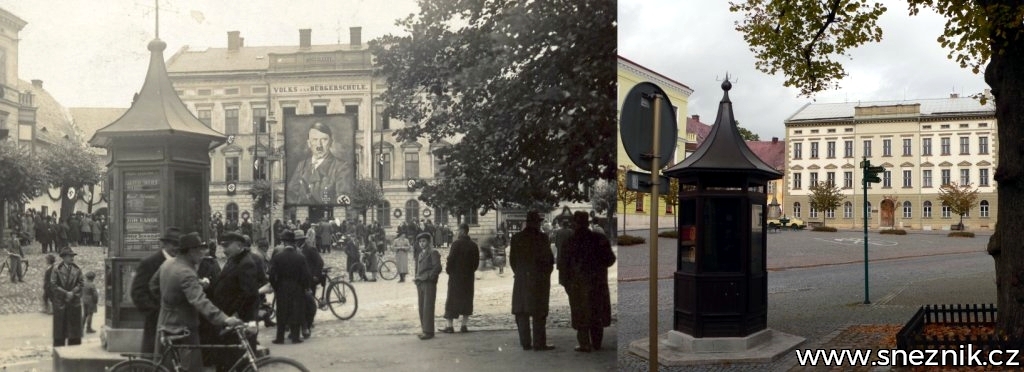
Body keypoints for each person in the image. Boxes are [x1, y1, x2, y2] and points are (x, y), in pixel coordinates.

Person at [149, 233, 243, 372]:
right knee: (191, 367)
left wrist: (170, 302)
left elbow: (153, 286)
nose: (202, 253)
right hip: (183, 327)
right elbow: (200, 301)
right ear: (191, 251)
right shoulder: (186, 272)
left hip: (164, 322)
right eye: (199, 250)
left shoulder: (167, 264)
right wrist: (224, 319)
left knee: (165, 366)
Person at [561, 212, 616, 352]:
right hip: (597, 283)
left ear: (574, 223)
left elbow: (563, 265)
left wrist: (565, 283)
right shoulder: (599, 238)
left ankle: (584, 344)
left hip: (577, 284)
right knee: (596, 313)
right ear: (588, 222)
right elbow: (610, 260)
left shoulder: (569, 241)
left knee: (580, 314)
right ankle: (597, 344)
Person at [211, 232, 262, 371]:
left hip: (238, 321)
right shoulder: (234, 259)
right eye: (223, 246)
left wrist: (236, 314)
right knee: (229, 361)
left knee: (239, 363)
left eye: (227, 246)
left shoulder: (246, 263)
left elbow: (249, 294)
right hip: (229, 319)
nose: (224, 249)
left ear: (239, 245)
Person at [130, 227, 181, 356]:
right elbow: (137, 293)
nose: (176, 248)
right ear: (164, 244)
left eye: (179, 245)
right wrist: (156, 312)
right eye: (174, 244)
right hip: (156, 321)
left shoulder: (181, 261)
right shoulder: (150, 262)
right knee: (154, 358)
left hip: (177, 322)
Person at [510, 210, 555, 351]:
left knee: (522, 311)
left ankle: (525, 343)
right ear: (537, 223)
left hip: (522, 279)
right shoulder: (542, 238)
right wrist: (545, 274)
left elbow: (512, 260)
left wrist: (519, 273)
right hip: (539, 279)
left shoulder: (516, 238)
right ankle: (539, 343)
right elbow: (549, 260)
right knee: (539, 312)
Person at [286, 122, 355, 205]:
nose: (319, 145)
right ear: (309, 143)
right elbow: (291, 195)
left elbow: (343, 198)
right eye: (314, 140)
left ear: (331, 142)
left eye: (324, 139)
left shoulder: (342, 167)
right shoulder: (302, 165)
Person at [268, 230, 313, 344]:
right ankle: (295, 337)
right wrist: (304, 287)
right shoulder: (300, 257)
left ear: (284, 243)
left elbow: (272, 275)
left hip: (282, 287)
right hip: (297, 287)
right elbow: (306, 275)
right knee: (296, 311)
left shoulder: (278, 257)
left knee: (281, 311)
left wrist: (276, 287)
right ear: (293, 243)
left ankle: (280, 337)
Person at [442, 224, 479, 334]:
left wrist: (449, 271)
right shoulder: (473, 245)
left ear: (462, 231)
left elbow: (450, 259)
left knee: (452, 300)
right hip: (468, 278)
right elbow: (476, 263)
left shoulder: (456, 244)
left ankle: (450, 326)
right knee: (467, 300)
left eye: (458, 230)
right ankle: (464, 326)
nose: (456, 232)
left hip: (455, 277)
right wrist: (470, 271)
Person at [51, 247, 84, 347]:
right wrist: (66, 293)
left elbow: (81, 283)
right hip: (61, 302)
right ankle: (59, 350)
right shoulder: (56, 270)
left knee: (74, 331)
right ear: (64, 257)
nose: (72, 258)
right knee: (60, 330)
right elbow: (53, 285)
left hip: (74, 302)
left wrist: (73, 293)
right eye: (70, 256)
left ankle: (74, 351)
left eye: (73, 256)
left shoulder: (77, 269)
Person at [414, 234, 442, 340]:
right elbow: (418, 268)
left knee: (428, 307)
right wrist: (417, 279)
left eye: (424, 241)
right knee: (421, 307)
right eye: (420, 241)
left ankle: (429, 331)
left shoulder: (433, 253)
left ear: (429, 242)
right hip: (420, 282)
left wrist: (430, 277)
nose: (422, 243)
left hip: (429, 283)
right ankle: (424, 330)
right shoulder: (420, 254)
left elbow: (437, 267)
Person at [298, 234, 323, 339]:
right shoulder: (298, 249)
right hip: (302, 279)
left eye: (297, 240)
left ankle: (309, 322)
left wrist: (316, 275)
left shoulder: (310, 249)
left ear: (301, 240)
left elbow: (320, 262)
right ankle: (304, 323)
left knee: (310, 302)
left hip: (311, 279)